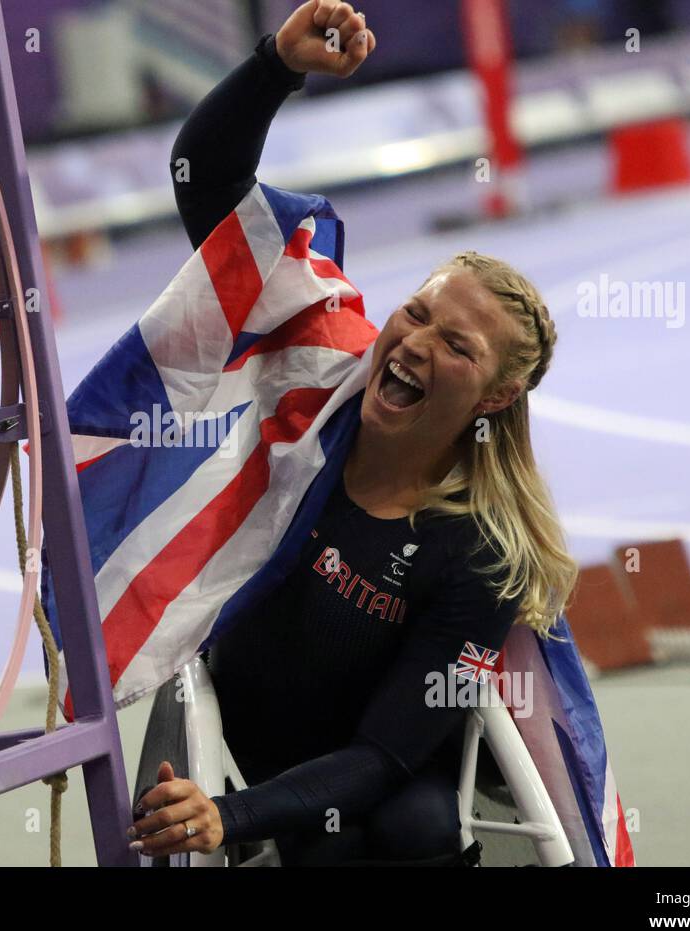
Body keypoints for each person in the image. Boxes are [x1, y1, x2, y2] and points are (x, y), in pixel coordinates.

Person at [126, 0, 575, 865]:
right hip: (236, 725)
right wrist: (274, 69)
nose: (412, 345)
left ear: (494, 396)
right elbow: (203, 182)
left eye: (456, 347)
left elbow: (381, 757)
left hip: (376, 772)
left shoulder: (479, 553)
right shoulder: (320, 370)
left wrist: (236, 818)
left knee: (412, 829)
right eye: (417, 312)